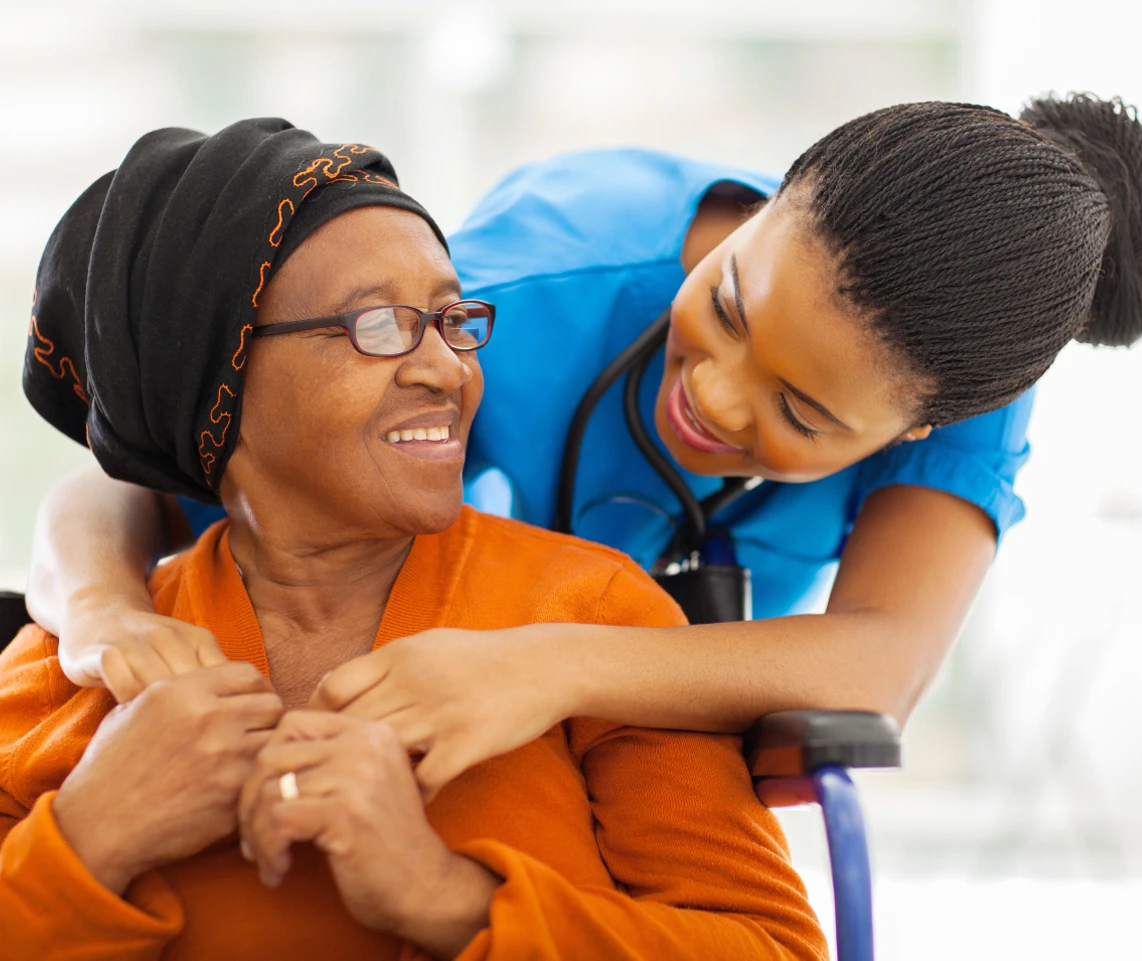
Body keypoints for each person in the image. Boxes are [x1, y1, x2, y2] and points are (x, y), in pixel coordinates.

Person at [25, 95, 1142, 799]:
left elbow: (880, 663)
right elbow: (125, 490)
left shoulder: (957, 380)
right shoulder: (527, 294)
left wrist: (547, 662)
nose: (710, 395)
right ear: (767, 207)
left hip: (614, 765)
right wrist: (102, 613)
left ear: (915, 427)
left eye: (803, 416)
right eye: (726, 305)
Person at [3, 120, 825, 960]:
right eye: (377, 325)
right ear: (216, 378)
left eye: (451, 318)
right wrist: (90, 837)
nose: (447, 368)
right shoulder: (71, 667)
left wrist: (440, 896)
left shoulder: (596, 613)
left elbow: (770, 947)